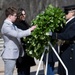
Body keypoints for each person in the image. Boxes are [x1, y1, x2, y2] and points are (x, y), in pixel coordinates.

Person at [1, 7, 36, 75]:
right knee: (8, 73)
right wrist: (30, 30)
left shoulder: (12, 25)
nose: (16, 17)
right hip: (9, 55)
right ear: (10, 16)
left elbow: (21, 31)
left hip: (13, 54)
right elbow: (17, 34)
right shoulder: (6, 26)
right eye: (15, 15)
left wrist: (31, 30)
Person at [47, 4, 75, 75]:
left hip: (71, 50)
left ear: (72, 13)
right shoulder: (68, 22)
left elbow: (68, 35)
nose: (64, 15)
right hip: (65, 49)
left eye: (66, 12)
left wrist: (53, 35)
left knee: (69, 70)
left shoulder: (74, 23)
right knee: (64, 70)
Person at [14, 8, 36, 75]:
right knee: (22, 70)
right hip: (21, 50)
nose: (24, 16)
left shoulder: (25, 23)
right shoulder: (16, 24)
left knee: (27, 69)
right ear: (18, 15)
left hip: (27, 50)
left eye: (24, 14)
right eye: (22, 14)